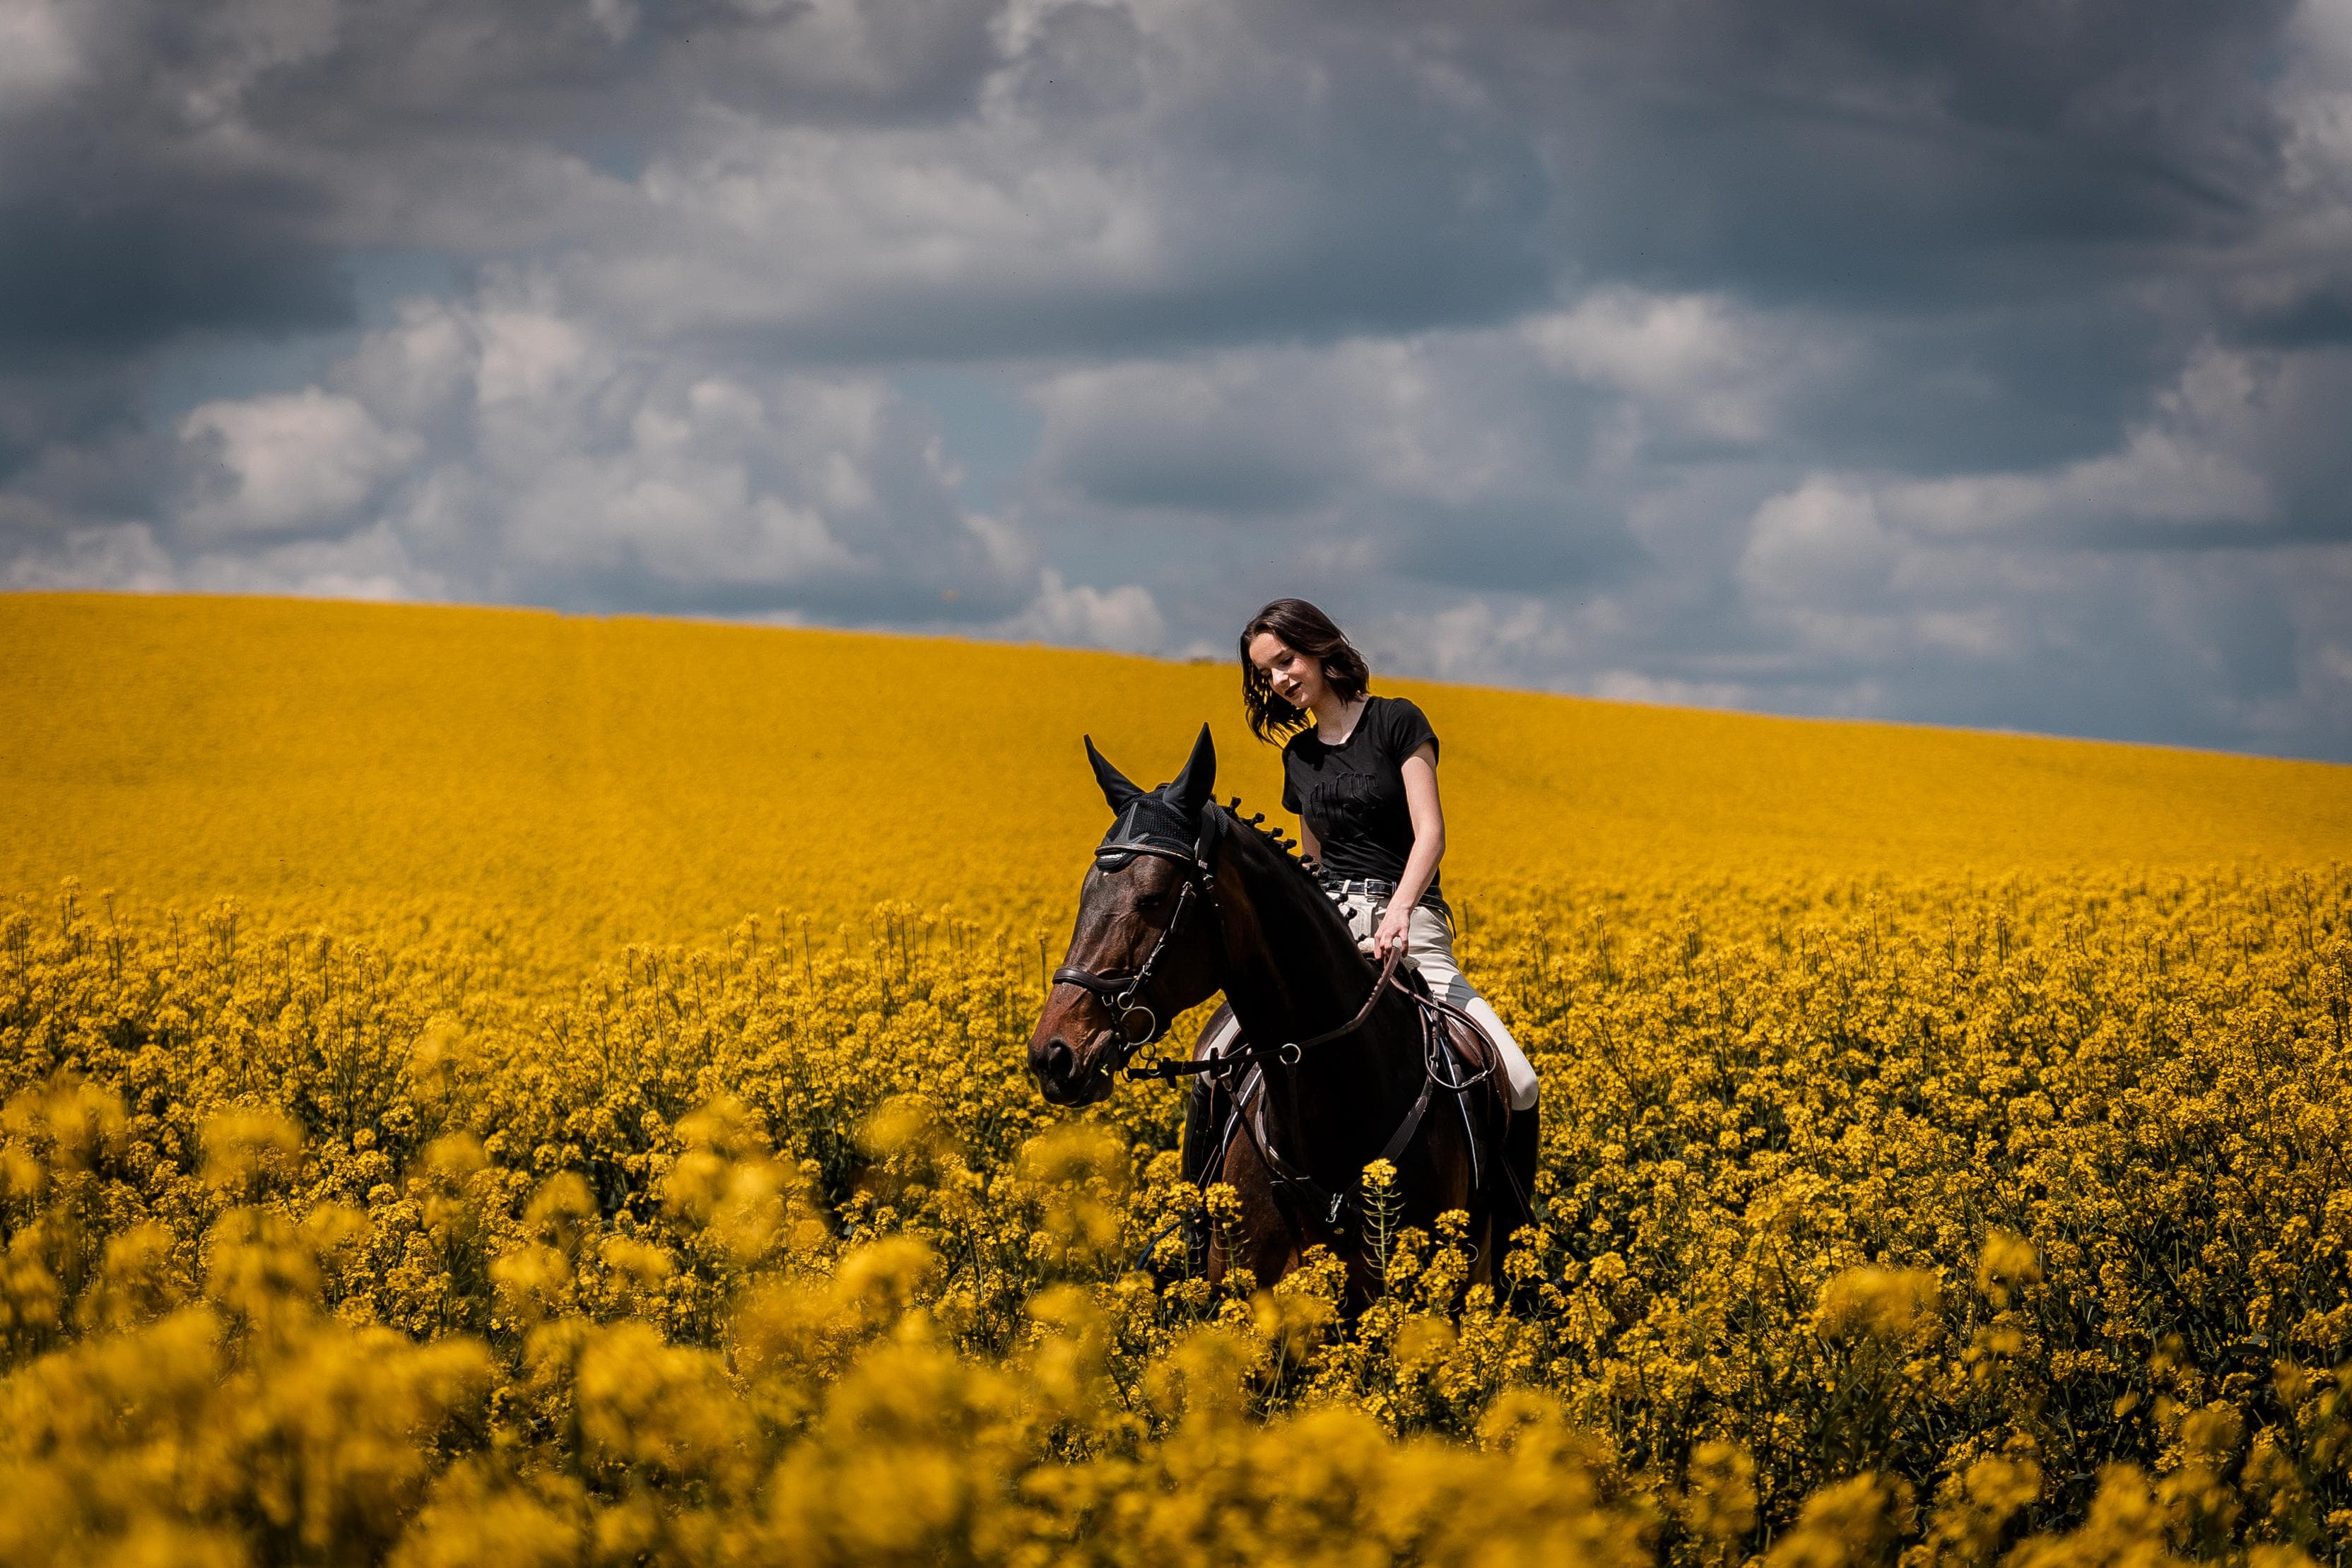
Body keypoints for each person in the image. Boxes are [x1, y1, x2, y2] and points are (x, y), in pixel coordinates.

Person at [1234, 597, 1540, 1115]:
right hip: (1333, 931)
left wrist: (1398, 910)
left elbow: (1432, 834)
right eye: (1266, 674)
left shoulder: (1395, 721)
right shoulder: (1299, 757)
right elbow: (1315, 865)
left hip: (1411, 926)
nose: (1280, 679)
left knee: (1519, 1080)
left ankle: (1504, 1199)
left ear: (1316, 645)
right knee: (1227, 1058)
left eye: (1285, 660)